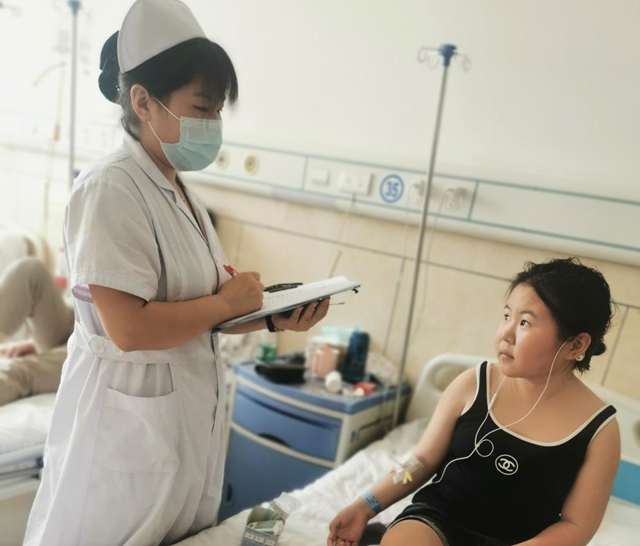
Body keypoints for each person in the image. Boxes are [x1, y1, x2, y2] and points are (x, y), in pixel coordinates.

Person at [24, 1, 330, 545]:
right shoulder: (110, 187)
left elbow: (197, 314)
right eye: (202, 108)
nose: (212, 125)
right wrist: (229, 302)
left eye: (218, 112)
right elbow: (130, 328)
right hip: (124, 436)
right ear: (143, 101)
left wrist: (270, 318)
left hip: (176, 433)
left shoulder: (179, 190)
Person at [328, 257, 620, 546]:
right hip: (436, 521)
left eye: (525, 323)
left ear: (575, 345)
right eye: (506, 316)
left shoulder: (598, 429)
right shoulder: (473, 383)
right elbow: (421, 460)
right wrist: (365, 506)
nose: (506, 334)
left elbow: (576, 526)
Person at [0, 257, 73, 405]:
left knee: (20, 370)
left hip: (103, 343)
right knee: (29, 270)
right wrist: (33, 342)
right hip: (77, 320)